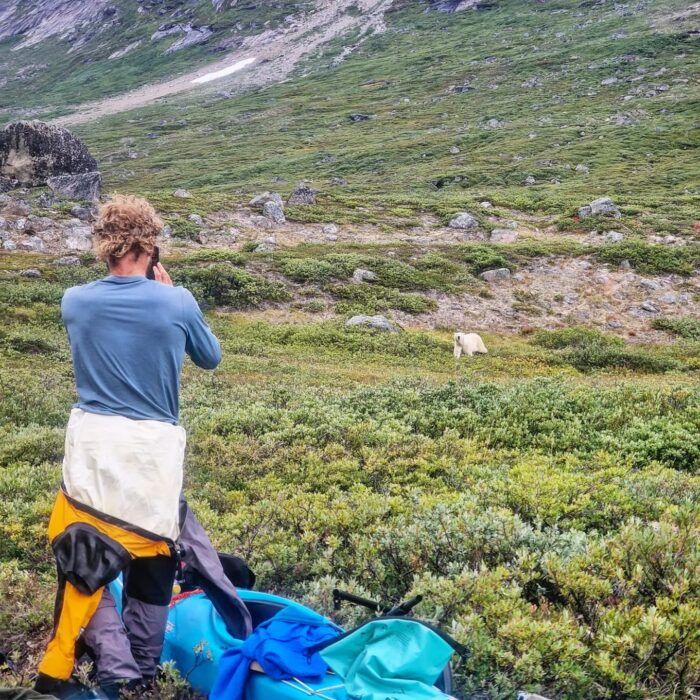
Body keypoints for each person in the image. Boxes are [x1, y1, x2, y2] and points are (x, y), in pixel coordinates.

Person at [34, 195, 250, 699]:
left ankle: (114, 666)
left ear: (102, 244)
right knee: (154, 557)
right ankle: (143, 674)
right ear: (150, 244)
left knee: (84, 559)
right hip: (153, 456)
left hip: (92, 450)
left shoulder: (74, 300)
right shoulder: (177, 302)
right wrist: (173, 298)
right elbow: (211, 357)